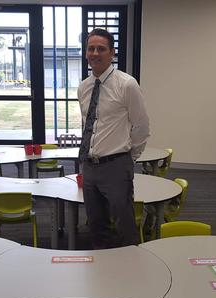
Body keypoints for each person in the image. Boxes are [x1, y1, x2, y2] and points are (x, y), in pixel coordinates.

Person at [78, 28, 150, 249]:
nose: (95, 53)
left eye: (101, 48)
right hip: (90, 166)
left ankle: (130, 273)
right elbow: (88, 125)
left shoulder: (127, 84)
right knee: (96, 225)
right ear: (86, 53)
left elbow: (141, 126)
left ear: (112, 53)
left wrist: (129, 158)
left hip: (117, 165)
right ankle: (102, 273)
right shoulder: (84, 87)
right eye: (91, 48)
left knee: (124, 226)